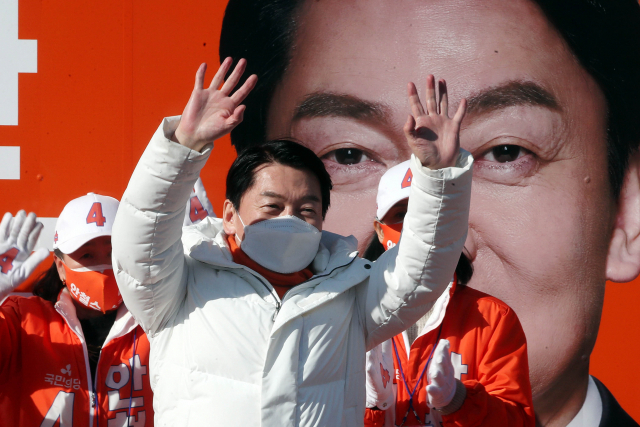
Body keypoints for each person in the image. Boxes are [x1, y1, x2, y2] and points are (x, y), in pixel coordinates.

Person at [218, 0, 640, 425]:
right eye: (347, 155)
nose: (428, 252)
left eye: (506, 151)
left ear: (628, 207)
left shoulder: (493, 322)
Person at [111, 58, 472, 426]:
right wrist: (182, 146)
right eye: (271, 206)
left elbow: (425, 264)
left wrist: (439, 176)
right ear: (230, 215)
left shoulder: (350, 296)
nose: (289, 219)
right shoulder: (180, 286)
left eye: (306, 210)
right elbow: (141, 240)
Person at [363, 161, 534, 426]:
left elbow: (517, 422)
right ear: (379, 230)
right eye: (400, 214)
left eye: (426, 213)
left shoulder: (492, 318)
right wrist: (369, 406)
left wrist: (458, 400)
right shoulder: (349, 313)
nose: (414, 227)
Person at [0, 194, 154, 426]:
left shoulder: (156, 321)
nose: (103, 267)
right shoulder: (21, 320)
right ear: (61, 268)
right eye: (87, 255)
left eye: (112, 253)